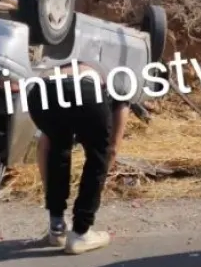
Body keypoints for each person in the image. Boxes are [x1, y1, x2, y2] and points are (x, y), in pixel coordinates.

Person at [29, 61, 131, 255]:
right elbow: (111, 150)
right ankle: (81, 232)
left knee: (58, 147)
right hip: (83, 91)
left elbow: (44, 148)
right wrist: (96, 185)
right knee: (98, 154)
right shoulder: (122, 89)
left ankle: (56, 228)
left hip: (41, 90)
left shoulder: (85, 65)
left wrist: (52, 199)